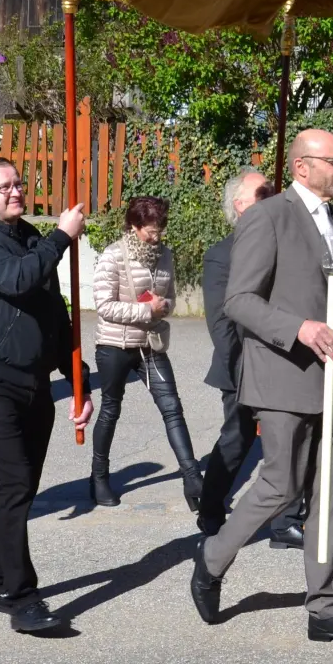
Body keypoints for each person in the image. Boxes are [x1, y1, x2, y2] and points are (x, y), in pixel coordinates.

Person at [189, 129, 333, 646]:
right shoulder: (268, 217)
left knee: (331, 498)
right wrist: (298, 328)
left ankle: (324, 609)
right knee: (281, 486)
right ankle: (211, 560)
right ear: (302, 166)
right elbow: (240, 300)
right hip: (283, 378)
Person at [0, 156, 92, 633]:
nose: (15, 191)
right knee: (13, 485)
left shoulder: (30, 235)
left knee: (22, 489)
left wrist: (79, 382)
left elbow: (54, 312)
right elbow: (17, 279)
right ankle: (21, 596)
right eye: (4, 187)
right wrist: (61, 238)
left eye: (18, 183)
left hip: (34, 376)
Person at [196, 169, 303, 544]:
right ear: (240, 205)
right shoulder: (221, 255)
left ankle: (284, 520)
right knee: (237, 439)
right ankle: (210, 506)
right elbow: (221, 323)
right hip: (242, 366)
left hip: (283, 360)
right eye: (263, 193)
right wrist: (241, 369)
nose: (272, 196)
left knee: (286, 440)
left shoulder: (285, 244)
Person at [90, 195, 203, 510]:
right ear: (134, 225)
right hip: (114, 346)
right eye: (151, 231)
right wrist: (145, 310)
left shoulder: (165, 255)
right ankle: (99, 477)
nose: (157, 236)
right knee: (110, 410)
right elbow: (104, 306)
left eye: (160, 230)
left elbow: (171, 299)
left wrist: (163, 307)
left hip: (151, 345)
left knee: (172, 408)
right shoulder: (113, 255)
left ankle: (193, 478)